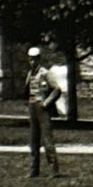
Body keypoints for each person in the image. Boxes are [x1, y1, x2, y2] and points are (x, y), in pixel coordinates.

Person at [26, 46, 62, 177]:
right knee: (33, 141)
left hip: (42, 107)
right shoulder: (30, 74)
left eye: (34, 59)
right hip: (32, 106)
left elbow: (57, 89)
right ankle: (33, 170)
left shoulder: (45, 73)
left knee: (47, 140)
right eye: (30, 59)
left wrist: (46, 103)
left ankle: (54, 169)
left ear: (39, 59)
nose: (32, 62)